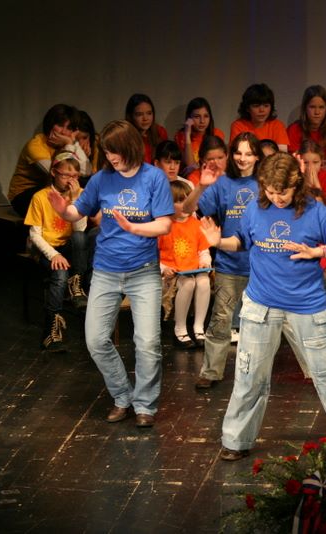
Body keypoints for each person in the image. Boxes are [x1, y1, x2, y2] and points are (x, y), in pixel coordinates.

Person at [200, 151, 326, 459]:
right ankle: (236, 440)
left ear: (296, 185)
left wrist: (317, 252)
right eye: (270, 191)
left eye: (282, 192)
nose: (276, 198)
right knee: (249, 376)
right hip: (261, 305)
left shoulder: (315, 211)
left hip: (306, 306)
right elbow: (240, 241)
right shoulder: (254, 209)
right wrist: (218, 242)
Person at [48, 120, 173, 428]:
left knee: (147, 343)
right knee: (95, 340)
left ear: (130, 147)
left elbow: (164, 224)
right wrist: (63, 210)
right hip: (106, 270)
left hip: (143, 271)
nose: (111, 157)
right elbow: (78, 212)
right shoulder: (102, 179)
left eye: (115, 151)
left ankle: (145, 405)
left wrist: (134, 228)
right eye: (106, 151)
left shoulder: (154, 177)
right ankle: (122, 396)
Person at [182, 133, 261, 388]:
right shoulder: (222, 183)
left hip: (262, 266)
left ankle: (259, 373)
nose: (242, 158)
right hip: (230, 264)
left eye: (248, 153)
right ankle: (211, 372)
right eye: (238, 152)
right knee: (220, 321)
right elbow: (188, 209)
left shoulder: (265, 182)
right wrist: (202, 186)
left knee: (265, 324)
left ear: (257, 156)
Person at [24, 150, 89, 351]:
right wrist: (54, 254)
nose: (71, 180)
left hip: (69, 248)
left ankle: (76, 284)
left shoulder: (79, 194)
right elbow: (35, 235)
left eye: (75, 176)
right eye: (66, 175)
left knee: (80, 237)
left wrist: (76, 200)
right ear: (54, 172)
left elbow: (80, 229)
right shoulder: (40, 197)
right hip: (47, 249)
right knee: (60, 274)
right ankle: (51, 331)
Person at [8, 103, 89, 216]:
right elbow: (56, 174)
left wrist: (71, 143)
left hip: (53, 188)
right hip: (24, 195)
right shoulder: (36, 145)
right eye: (60, 125)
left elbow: (86, 172)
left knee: (87, 182)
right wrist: (69, 143)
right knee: (69, 182)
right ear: (50, 124)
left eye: (69, 128)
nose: (63, 132)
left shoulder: (69, 143)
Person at [158, 180, 211, 348]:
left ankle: (199, 327)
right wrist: (164, 269)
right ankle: (180, 329)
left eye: (188, 200)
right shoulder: (164, 225)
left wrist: (205, 262)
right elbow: (153, 256)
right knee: (188, 283)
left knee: (204, 281)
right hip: (171, 275)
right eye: (180, 201)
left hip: (192, 270)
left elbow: (203, 250)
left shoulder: (196, 225)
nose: (185, 205)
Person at [287, 85, 326, 164]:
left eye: (321, 107)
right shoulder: (294, 129)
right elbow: (294, 161)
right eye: (312, 107)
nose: (317, 112)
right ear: (305, 108)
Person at [229, 83, 289, 151]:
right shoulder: (238, 126)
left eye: (266, 106)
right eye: (256, 106)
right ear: (247, 108)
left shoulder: (277, 125)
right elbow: (237, 152)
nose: (262, 110)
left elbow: (282, 153)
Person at [174, 97, 224, 174]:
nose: (202, 121)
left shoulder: (217, 134)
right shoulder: (180, 136)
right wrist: (187, 134)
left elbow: (217, 164)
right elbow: (190, 166)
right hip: (189, 178)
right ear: (189, 118)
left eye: (206, 116)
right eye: (197, 117)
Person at [125, 93, 168, 164]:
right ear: (131, 116)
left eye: (149, 113)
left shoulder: (160, 132)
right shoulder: (124, 135)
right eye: (139, 114)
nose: (145, 118)